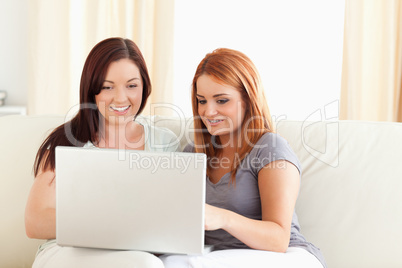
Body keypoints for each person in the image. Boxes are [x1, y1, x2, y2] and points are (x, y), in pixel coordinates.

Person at [159, 48, 327, 268]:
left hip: (284, 256)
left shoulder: (270, 148)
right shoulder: (193, 153)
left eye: (221, 101)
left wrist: (223, 218)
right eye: (202, 101)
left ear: (248, 100)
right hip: (216, 256)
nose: (208, 112)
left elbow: (278, 239)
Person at [25, 37, 178, 268]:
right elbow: (34, 221)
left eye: (132, 85)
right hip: (66, 251)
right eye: (107, 87)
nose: (120, 98)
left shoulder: (165, 142)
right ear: (92, 90)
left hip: (134, 254)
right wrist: (113, 222)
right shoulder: (67, 140)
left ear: (144, 86)